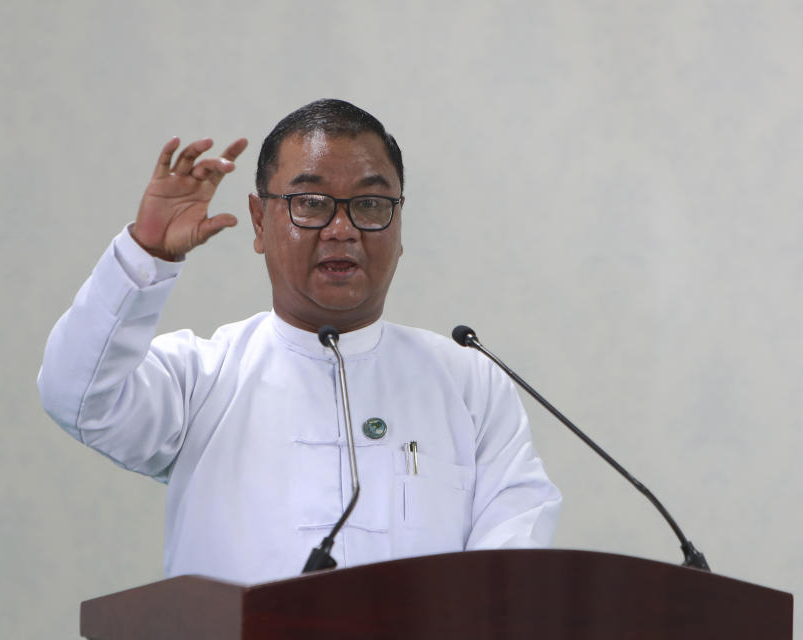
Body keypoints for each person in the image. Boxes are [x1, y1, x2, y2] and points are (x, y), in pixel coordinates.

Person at [38, 99, 561, 585]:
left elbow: (511, 565)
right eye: (311, 203)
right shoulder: (201, 377)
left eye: (371, 204)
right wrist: (146, 253)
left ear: (399, 225)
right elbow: (77, 396)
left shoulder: (468, 382)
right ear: (261, 220)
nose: (342, 229)